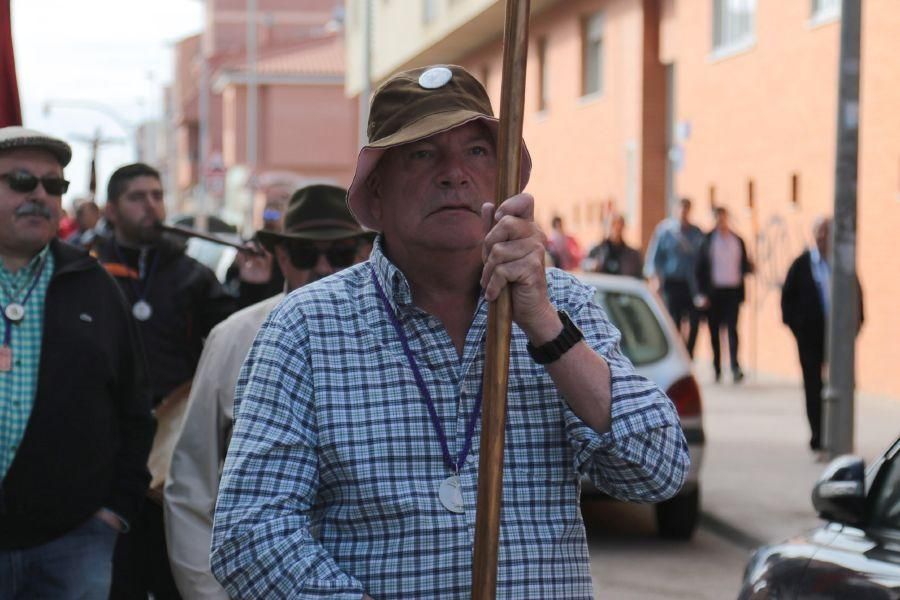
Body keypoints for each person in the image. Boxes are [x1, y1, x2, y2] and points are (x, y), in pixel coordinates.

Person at [210, 64, 689, 599]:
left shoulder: (563, 304)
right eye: (422, 153)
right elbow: (250, 533)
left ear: (503, 179)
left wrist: (544, 326)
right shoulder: (304, 326)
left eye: (477, 151)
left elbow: (656, 470)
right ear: (377, 190)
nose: (454, 173)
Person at [163, 184, 371, 599]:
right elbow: (192, 480)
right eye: (306, 255)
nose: (324, 268)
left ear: (364, 253)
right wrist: (208, 592)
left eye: (341, 253)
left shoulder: (392, 335)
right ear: (280, 257)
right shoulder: (235, 336)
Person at [0, 127, 154, 598]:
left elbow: (136, 408)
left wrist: (113, 512)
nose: (40, 195)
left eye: (54, 185)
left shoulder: (95, 285)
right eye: (22, 181)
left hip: (73, 542)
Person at [93, 162, 237, 599]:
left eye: (157, 195)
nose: (151, 206)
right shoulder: (88, 271)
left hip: (176, 444)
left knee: (173, 567)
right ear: (111, 209)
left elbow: (230, 340)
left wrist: (253, 285)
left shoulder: (190, 273)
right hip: (109, 447)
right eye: (137, 198)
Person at [781, 216, 863, 453]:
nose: (823, 238)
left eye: (827, 233)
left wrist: (854, 328)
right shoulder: (801, 264)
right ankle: (818, 435)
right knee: (813, 385)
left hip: (837, 338)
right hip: (809, 336)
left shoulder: (842, 264)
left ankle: (838, 433)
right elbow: (787, 299)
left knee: (841, 384)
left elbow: (856, 295)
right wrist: (797, 327)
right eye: (820, 233)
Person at [696, 206, 753, 383]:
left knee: (732, 330)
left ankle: (735, 366)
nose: (721, 222)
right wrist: (701, 294)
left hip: (733, 291)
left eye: (723, 218)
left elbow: (744, 264)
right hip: (714, 292)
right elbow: (699, 268)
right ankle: (717, 368)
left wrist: (750, 267)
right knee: (714, 332)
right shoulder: (707, 241)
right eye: (717, 218)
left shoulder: (737, 240)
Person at [644, 197, 705, 356]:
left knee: (694, 321)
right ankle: (677, 355)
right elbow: (653, 259)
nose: (683, 213)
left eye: (686, 210)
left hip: (691, 284)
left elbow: (703, 259)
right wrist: (655, 279)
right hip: (671, 283)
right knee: (674, 322)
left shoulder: (696, 233)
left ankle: (688, 354)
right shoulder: (665, 231)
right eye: (681, 209)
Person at [586, 212, 643, 277]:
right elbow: (585, 265)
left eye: (619, 224)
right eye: (613, 224)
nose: (616, 228)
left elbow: (640, 277)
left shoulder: (633, 256)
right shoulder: (596, 251)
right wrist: (592, 266)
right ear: (607, 227)